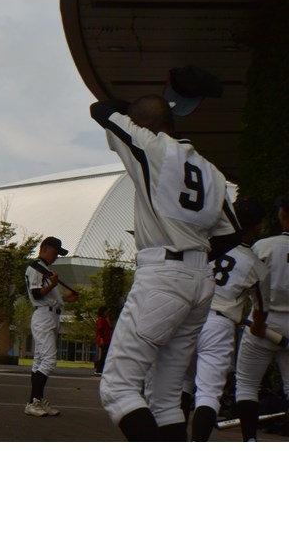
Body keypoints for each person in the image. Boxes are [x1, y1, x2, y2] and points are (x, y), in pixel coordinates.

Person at [90, 94, 241, 441]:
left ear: (143, 125)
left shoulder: (151, 145)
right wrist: (194, 255)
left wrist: (129, 108)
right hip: (200, 279)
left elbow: (100, 109)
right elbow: (231, 234)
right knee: (166, 399)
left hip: (163, 273)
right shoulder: (211, 170)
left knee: (118, 388)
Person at [181, 197, 269, 441]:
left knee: (182, 384)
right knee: (208, 394)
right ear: (258, 227)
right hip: (219, 323)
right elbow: (261, 310)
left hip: (188, 316)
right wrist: (259, 327)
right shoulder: (255, 264)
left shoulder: (203, 245)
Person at [235, 191, 289, 441]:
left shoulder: (264, 246)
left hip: (262, 322)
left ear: (283, 214)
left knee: (247, 384)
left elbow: (247, 283)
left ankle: (250, 440)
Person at [24, 236, 79, 416]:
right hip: (43, 316)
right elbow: (36, 294)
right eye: (55, 252)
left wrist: (65, 299)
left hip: (50, 315)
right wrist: (53, 284)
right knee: (48, 361)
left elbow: (49, 298)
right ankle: (34, 402)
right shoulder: (36, 268)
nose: (56, 256)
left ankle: (35, 401)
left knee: (40, 361)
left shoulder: (45, 269)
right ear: (45, 248)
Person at [94, 306, 113, 376]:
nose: (107, 313)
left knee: (105, 355)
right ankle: (99, 370)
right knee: (103, 355)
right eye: (106, 312)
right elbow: (100, 329)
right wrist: (101, 339)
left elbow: (111, 327)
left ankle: (101, 369)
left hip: (107, 340)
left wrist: (108, 320)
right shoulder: (100, 319)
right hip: (103, 340)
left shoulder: (105, 320)